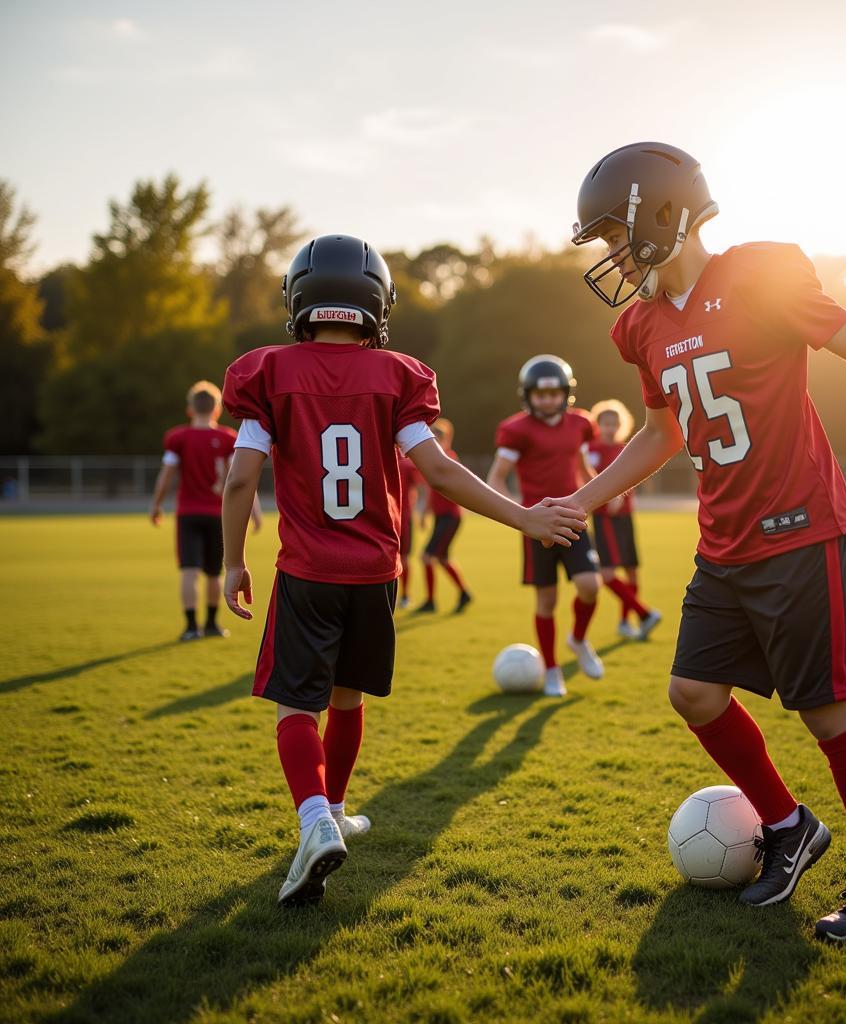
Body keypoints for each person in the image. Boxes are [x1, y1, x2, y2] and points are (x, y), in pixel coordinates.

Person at [563, 142, 846, 940]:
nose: (613, 252)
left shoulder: (758, 276)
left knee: (827, 712)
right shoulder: (641, 325)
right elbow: (659, 434)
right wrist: (581, 499)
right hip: (722, 541)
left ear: (660, 213)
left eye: (616, 232)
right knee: (693, 693)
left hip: (798, 527)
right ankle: (790, 827)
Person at [219, 235, 585, 906]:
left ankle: (314, 820)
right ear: (378, 301)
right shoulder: (399, 374)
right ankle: (331, 807)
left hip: (307, 570)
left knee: (295, 706)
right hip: (376, 574)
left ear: (299, 297)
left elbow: (242, 476)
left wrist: (231, 561)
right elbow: (439, 470)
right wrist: (526, 518)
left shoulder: (264, 370)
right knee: (347, 699)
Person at [487, 356, 603, 697]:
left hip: (574, 518)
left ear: (566, 393)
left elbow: (583, 467)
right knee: (547, 599)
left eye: (554, 394)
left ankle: (578, 639)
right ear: (528, 395)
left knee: (590, 586)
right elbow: (496, 477)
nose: (548, 400)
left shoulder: (581, 423)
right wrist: (520, 516)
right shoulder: (516, 429)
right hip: (538, 526)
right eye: (540, 394)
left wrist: (602, 493)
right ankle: (551, 668)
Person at [150, 380, 261, 641]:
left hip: (188, 513)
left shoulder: (178, 438)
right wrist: (255, 513)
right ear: (217, 410)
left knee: (189, 571)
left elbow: (166, 476)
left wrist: (155, 505)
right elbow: (241, 478)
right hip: (217, 515)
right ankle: (212, 624)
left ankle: (190, 627)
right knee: (214, 572)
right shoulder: (226, 438)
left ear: (190, 409)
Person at [588, 398, 662, 640]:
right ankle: (643, 613)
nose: (610, 427)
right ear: (597, 425)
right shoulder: (592, 451)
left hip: (625, 517)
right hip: (604, 518)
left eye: (614, 423)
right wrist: (607, 497)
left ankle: (625, 621)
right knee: (608, 574)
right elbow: (586, 480)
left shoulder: (625, 449)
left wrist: (624, 495)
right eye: (605, 423)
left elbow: (635, 476)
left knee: (631, 571)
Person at [415, 418, 473, 614]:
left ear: (445, 440)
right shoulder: (432, 461)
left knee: (426, 557)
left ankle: (431, 601)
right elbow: (432, 492)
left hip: (451, 516)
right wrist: (424, 514)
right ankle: (464, 593)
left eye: (438, 439)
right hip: (442, 517)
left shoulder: (448, 457)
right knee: (441, 559)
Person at [397, 452, 422, 609]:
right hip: (403, 516)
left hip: (383, 517)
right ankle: (405, 595)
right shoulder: (407, 464)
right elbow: (421, 485)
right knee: (404, 558)